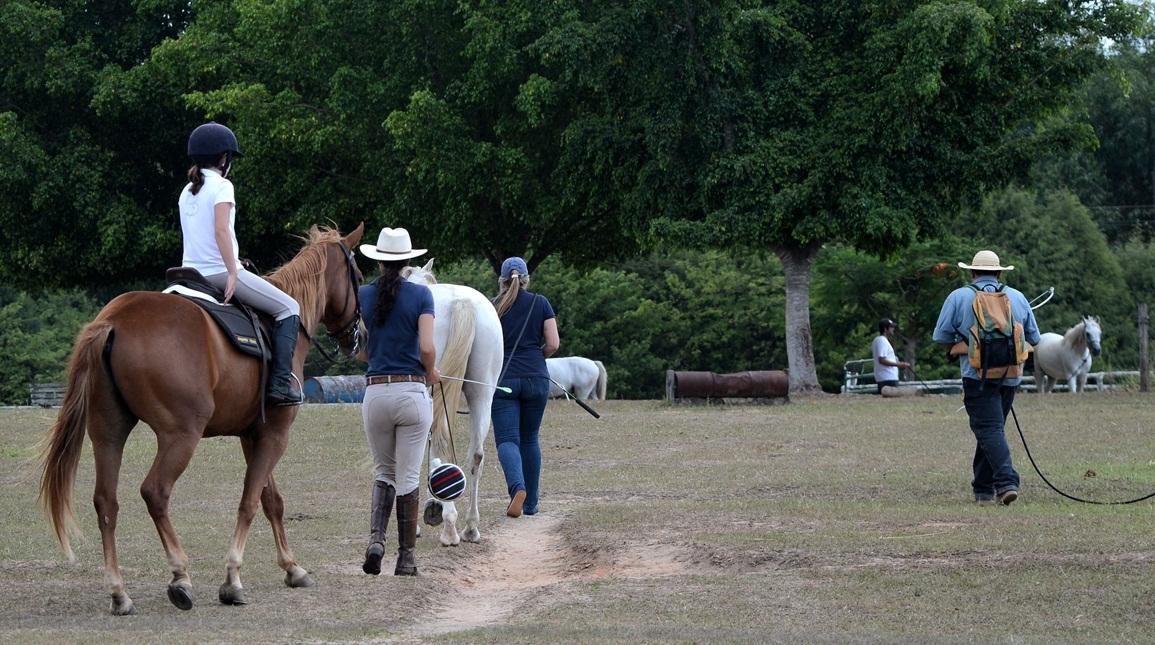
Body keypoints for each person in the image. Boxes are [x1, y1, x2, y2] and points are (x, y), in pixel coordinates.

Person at [179, 121, 303, 406]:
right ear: (224, 158)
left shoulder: (187, 191)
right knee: (289, 308)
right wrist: (233, 271)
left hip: (188, 275)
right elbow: (221, 231)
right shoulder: (223, 186)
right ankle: (281, 385)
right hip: (219, 274)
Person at [356, 227, 441, 576]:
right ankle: (406, 558)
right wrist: (432, 370)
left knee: (383, 472)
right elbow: (426, 347)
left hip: (376, 392)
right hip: (411, 392)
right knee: (407, 477)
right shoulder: (422, 296)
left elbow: (359, 352)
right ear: (409, 260)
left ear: (378, 262)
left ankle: (377, 539)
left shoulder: (362, 295)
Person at [933, 250, 1040, 505]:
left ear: (972, 272)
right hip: (1011, 377)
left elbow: (941, 337)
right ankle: (982, 489)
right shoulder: (1017, 296)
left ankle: (1006, 482)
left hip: (976, 376)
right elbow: (1034, 338)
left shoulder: (959, 296)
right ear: (1000, 272)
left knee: (989, 429)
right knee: (992, 429)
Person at [491, 257, 559, 518]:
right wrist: (537, 358)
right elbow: (553, 343)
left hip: (503, 379)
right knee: (530, 438)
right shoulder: (541, 303)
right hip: (536, 378)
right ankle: (531, 504)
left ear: (502, 280)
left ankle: (517, 488)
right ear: (527, 278)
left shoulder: (493, 306)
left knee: (508, 439)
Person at [872, 318, 910, 394]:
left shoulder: (879, 340)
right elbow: (882, 360)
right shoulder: (882, 341)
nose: (893, 329)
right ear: (885, 329)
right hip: (888, 378)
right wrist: (899, 364)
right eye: (891, 327)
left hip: (886, 377)